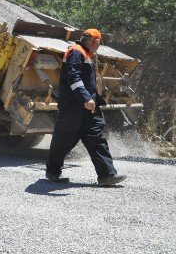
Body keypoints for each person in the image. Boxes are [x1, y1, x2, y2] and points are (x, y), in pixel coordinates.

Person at [45, 28, 127, 186]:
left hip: (89, 107)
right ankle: (53, 172)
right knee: (63, 140)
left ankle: (107, 175)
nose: (98, 47)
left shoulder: (86, 53)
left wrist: (91, 100)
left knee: (96, 137)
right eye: (99, 44)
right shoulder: (76, 52)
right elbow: (73, 77)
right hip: (73, 107)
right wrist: (85, 98)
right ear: (96, 42)